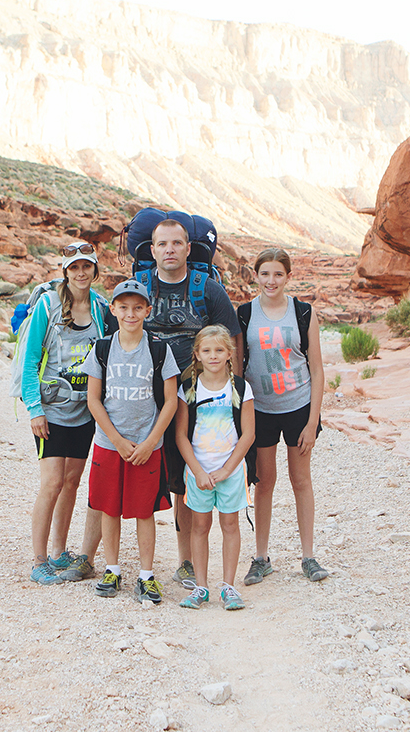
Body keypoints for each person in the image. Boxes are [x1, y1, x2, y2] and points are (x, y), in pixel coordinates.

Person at [139, 218, 241, 589]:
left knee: (183, 481)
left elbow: (232, 340)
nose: (169, 250)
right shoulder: (139, 290)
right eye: (162, 244)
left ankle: (185, 562)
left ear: (187, 248)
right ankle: (108, 559)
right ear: (152, 250)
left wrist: (236, 394)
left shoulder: (207, 290)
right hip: (143, 404)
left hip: (196, 406)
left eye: (176, 243)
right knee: (133, 475)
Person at [84, 279, 180, 604]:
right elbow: (93, 400)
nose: (130, 313)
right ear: (113, 309)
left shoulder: (158, 349)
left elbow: (170, 401)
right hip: (110, 444)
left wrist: (152, 440)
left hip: (146, 445)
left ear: (148, 310)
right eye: (123, 307)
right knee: (109, 508)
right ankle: (112, 569)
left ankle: (146, 575)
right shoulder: (101, 348)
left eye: (138, 307)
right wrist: (116, 439)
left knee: (144, 510)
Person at [237, 247, 330, 584]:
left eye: (278, 274)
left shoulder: (303, 312)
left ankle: (309, 557)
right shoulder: (245, 314)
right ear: (256, 276)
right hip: (259, 409)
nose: (271, 280)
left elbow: (317, 370)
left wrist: (311, 421)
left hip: (298, 405)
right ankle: (261, 557)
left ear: (288, 276)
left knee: (300, 480)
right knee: (263, 483)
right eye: (265, 274)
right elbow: (237, 365)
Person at [23, 243, 113, 585]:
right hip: (51, 409)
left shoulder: (101, 308)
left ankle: (60, 552)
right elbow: (31, 360)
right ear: (65, 271)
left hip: (85, 410)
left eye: (86, 267)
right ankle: (38, 560)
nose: (80, 273)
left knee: (72, 481)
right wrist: (34, 409)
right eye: (74, 267)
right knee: (51, 483)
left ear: (94, 270)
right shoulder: (48, 306)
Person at [174, 326, 255, 610]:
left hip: (230, 471)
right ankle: (201, 586)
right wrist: (197, 471)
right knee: (199, 526)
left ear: (229, 354)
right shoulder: (188, 390)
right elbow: (181, 435)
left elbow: (248, 434)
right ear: (196, 354)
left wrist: (227, 469)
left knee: (230, 524)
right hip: (199, 470)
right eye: (206, 351)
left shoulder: (241, 389)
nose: (213, 356)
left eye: (219, 350)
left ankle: (229, 586)